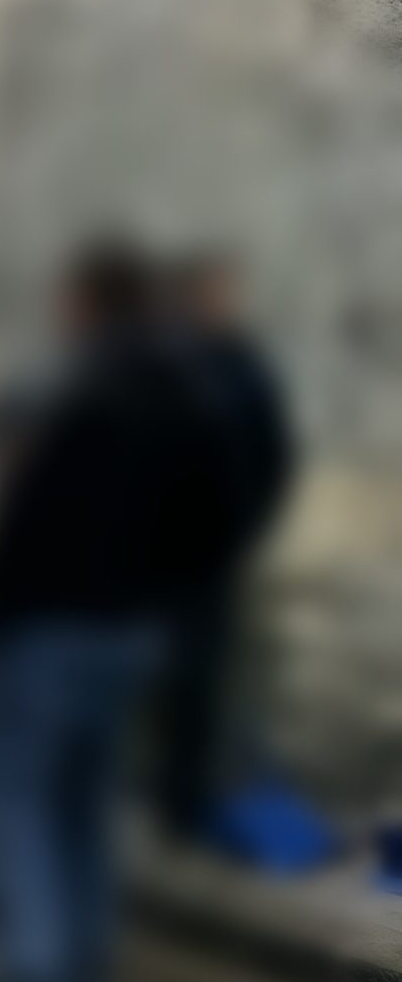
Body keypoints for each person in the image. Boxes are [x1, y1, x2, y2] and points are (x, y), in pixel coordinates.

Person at [0, 241, 223, 982]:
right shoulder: (187, 393)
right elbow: (211, 514)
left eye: (64, 297)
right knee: (81, 811)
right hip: (131, 634)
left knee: (21, 807)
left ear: (86, 302)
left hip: (49, 628)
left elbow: (24, 515)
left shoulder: (79, 388)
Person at [153, 251, 293, 842]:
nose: (221, 305)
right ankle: (148, 790)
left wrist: (244, 530)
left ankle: (182, 804)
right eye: (211, 293)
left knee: (197, 683)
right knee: (145, 673)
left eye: (226, 294)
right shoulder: (162, 364)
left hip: (209, 556)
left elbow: (274, 455)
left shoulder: (244, 369)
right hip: (146, 552)